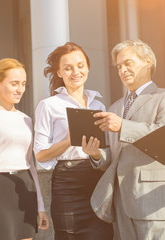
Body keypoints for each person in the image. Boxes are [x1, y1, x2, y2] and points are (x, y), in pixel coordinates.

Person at [83, 39, 165, 240]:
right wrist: (96, 154)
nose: (122, 70)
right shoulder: (114, 108)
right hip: (121, 205)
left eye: (128, 63)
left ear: (148, 61)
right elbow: (115, 157)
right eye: (119, 67)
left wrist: (123, 126)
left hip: (154, 203)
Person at [34, 42, 114, 240]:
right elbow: (40, 155)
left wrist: (96, 154)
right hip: (67, 185)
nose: (75, 72)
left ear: (87, 67)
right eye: (68, 68)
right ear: (59, 73)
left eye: (80, 65)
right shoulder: (48, 105)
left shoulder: (99, 104)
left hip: (97, 182)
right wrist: (68, 141)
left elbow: (105, 150)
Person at [0, 58, 49, 240]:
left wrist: (40, 207)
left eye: (23, 84)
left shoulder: (25, 119)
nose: (20, 89)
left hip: (24, 188)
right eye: (14, 83)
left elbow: (31, 165)